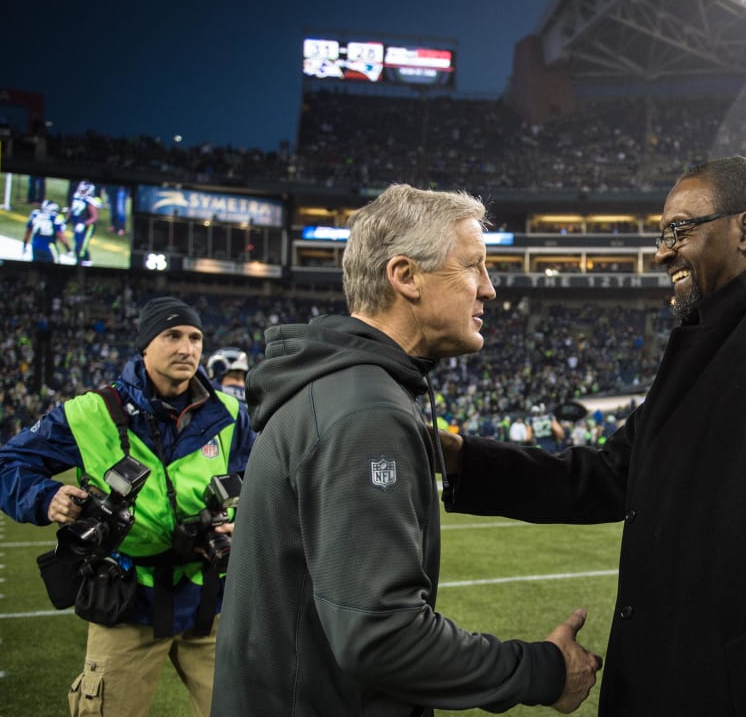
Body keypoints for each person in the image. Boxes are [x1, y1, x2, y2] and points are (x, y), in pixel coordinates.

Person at [439, 156, 746, 715]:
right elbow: (609, 476)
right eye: (662, 234)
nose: (662, 251)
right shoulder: (702, 344)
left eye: (679, 229)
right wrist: (464, 459)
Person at [211, 184, 601, 716]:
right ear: (405, 276)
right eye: (473, 267)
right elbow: (383, 638)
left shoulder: (338, 389)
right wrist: (542, 670)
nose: (489, 289)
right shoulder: (366, 412)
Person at [0, 296, 256, 716]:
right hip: (127, 600)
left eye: (195, 337)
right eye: (173, 336)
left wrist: (246, 522)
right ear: (145, 345)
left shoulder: (231, 413)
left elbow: (265, 481)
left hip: (211, 599)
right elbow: (0, 467)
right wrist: (46, 497)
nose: (187, 348)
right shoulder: (92, 412)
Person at [23, 199, 70, 264]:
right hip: (49, 247)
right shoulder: (55, 217)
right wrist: (68, 249)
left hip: (35, 246)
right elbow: (60, 235)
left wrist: (24, 245)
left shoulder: (35, 214)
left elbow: (28, 232)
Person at [68, 179, 101, 265]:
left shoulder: (91, 200)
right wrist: (66, 220)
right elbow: (72, 209)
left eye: (84, 190)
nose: (81, 191)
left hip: (88, 227)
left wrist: (84, 224)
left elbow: (95, 217)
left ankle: (82, 263)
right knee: (78, 245)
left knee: (81, 247)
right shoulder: (76, 196)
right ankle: (87, 261)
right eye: (81, 189)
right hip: (78, 224)